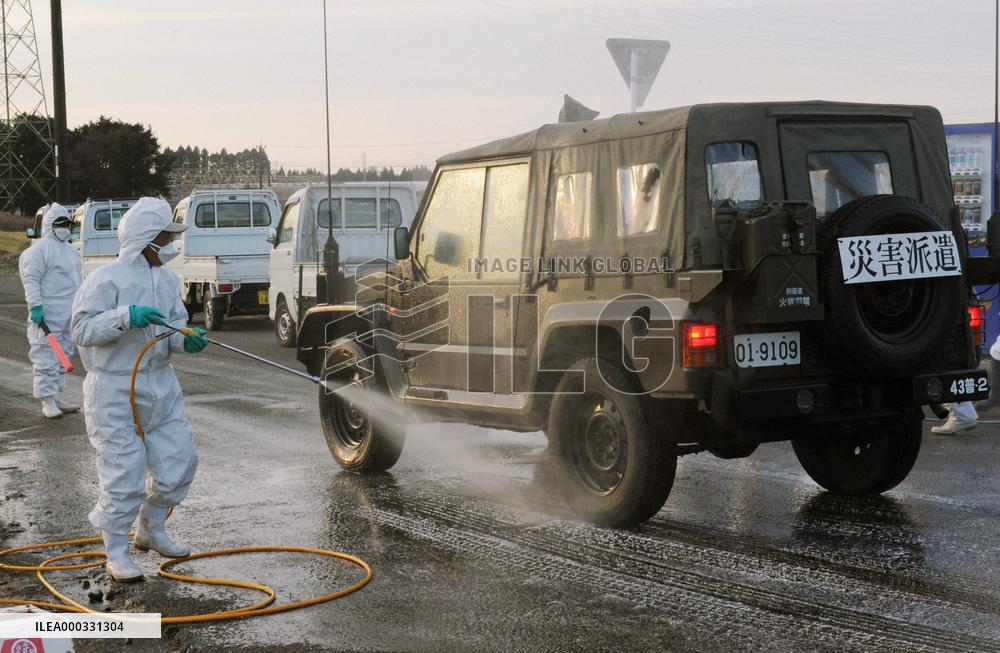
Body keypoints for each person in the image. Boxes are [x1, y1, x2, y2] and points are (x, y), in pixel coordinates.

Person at [71, 197, 209, 582]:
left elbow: (175, 328)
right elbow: (80, 329)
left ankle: (150, 529)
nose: (170, 243)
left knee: (179, 462)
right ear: (147, 239)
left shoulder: (167, 280)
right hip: (113, 389)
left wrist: (187, 339)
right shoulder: (105, 279)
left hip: (161, 386)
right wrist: (124, 317)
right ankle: (115, 552)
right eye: (166, 236)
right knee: (123, 474)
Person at [18, 203, 82, 418]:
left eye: (68, 224)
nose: (65, 228)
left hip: (68, 313)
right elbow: (31, 280)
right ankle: (46, 400)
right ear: (49, 225)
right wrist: (35, 307)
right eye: (60, 224)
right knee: (45, 356)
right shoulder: (37, 250)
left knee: (64, 355)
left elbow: (76, 281)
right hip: (46, 314)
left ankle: (56, 395)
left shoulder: (72, 251)